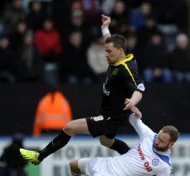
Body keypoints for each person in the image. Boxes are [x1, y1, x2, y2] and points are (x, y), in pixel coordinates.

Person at [20, 15, 145, 164]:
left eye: (109, 52)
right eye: (105, 51)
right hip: (109, 113)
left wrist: (133, 101)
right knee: (106, 141)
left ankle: (39, 156)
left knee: (69, 127)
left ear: (120, 50)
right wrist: (105, 28)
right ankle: (139, 162)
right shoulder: (117, 56)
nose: (106, 55)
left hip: (110, 117)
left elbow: (140, 87)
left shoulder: (126, 68)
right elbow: (110, 41)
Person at [67, 107, 178, 176]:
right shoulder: (150, 136)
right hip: (108, 163)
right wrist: (136, 114)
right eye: (158, 137)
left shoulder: (164, 165)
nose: (157, 142)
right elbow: (134, 120)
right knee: (73, 165)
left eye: (162, 141)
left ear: (171, 144)